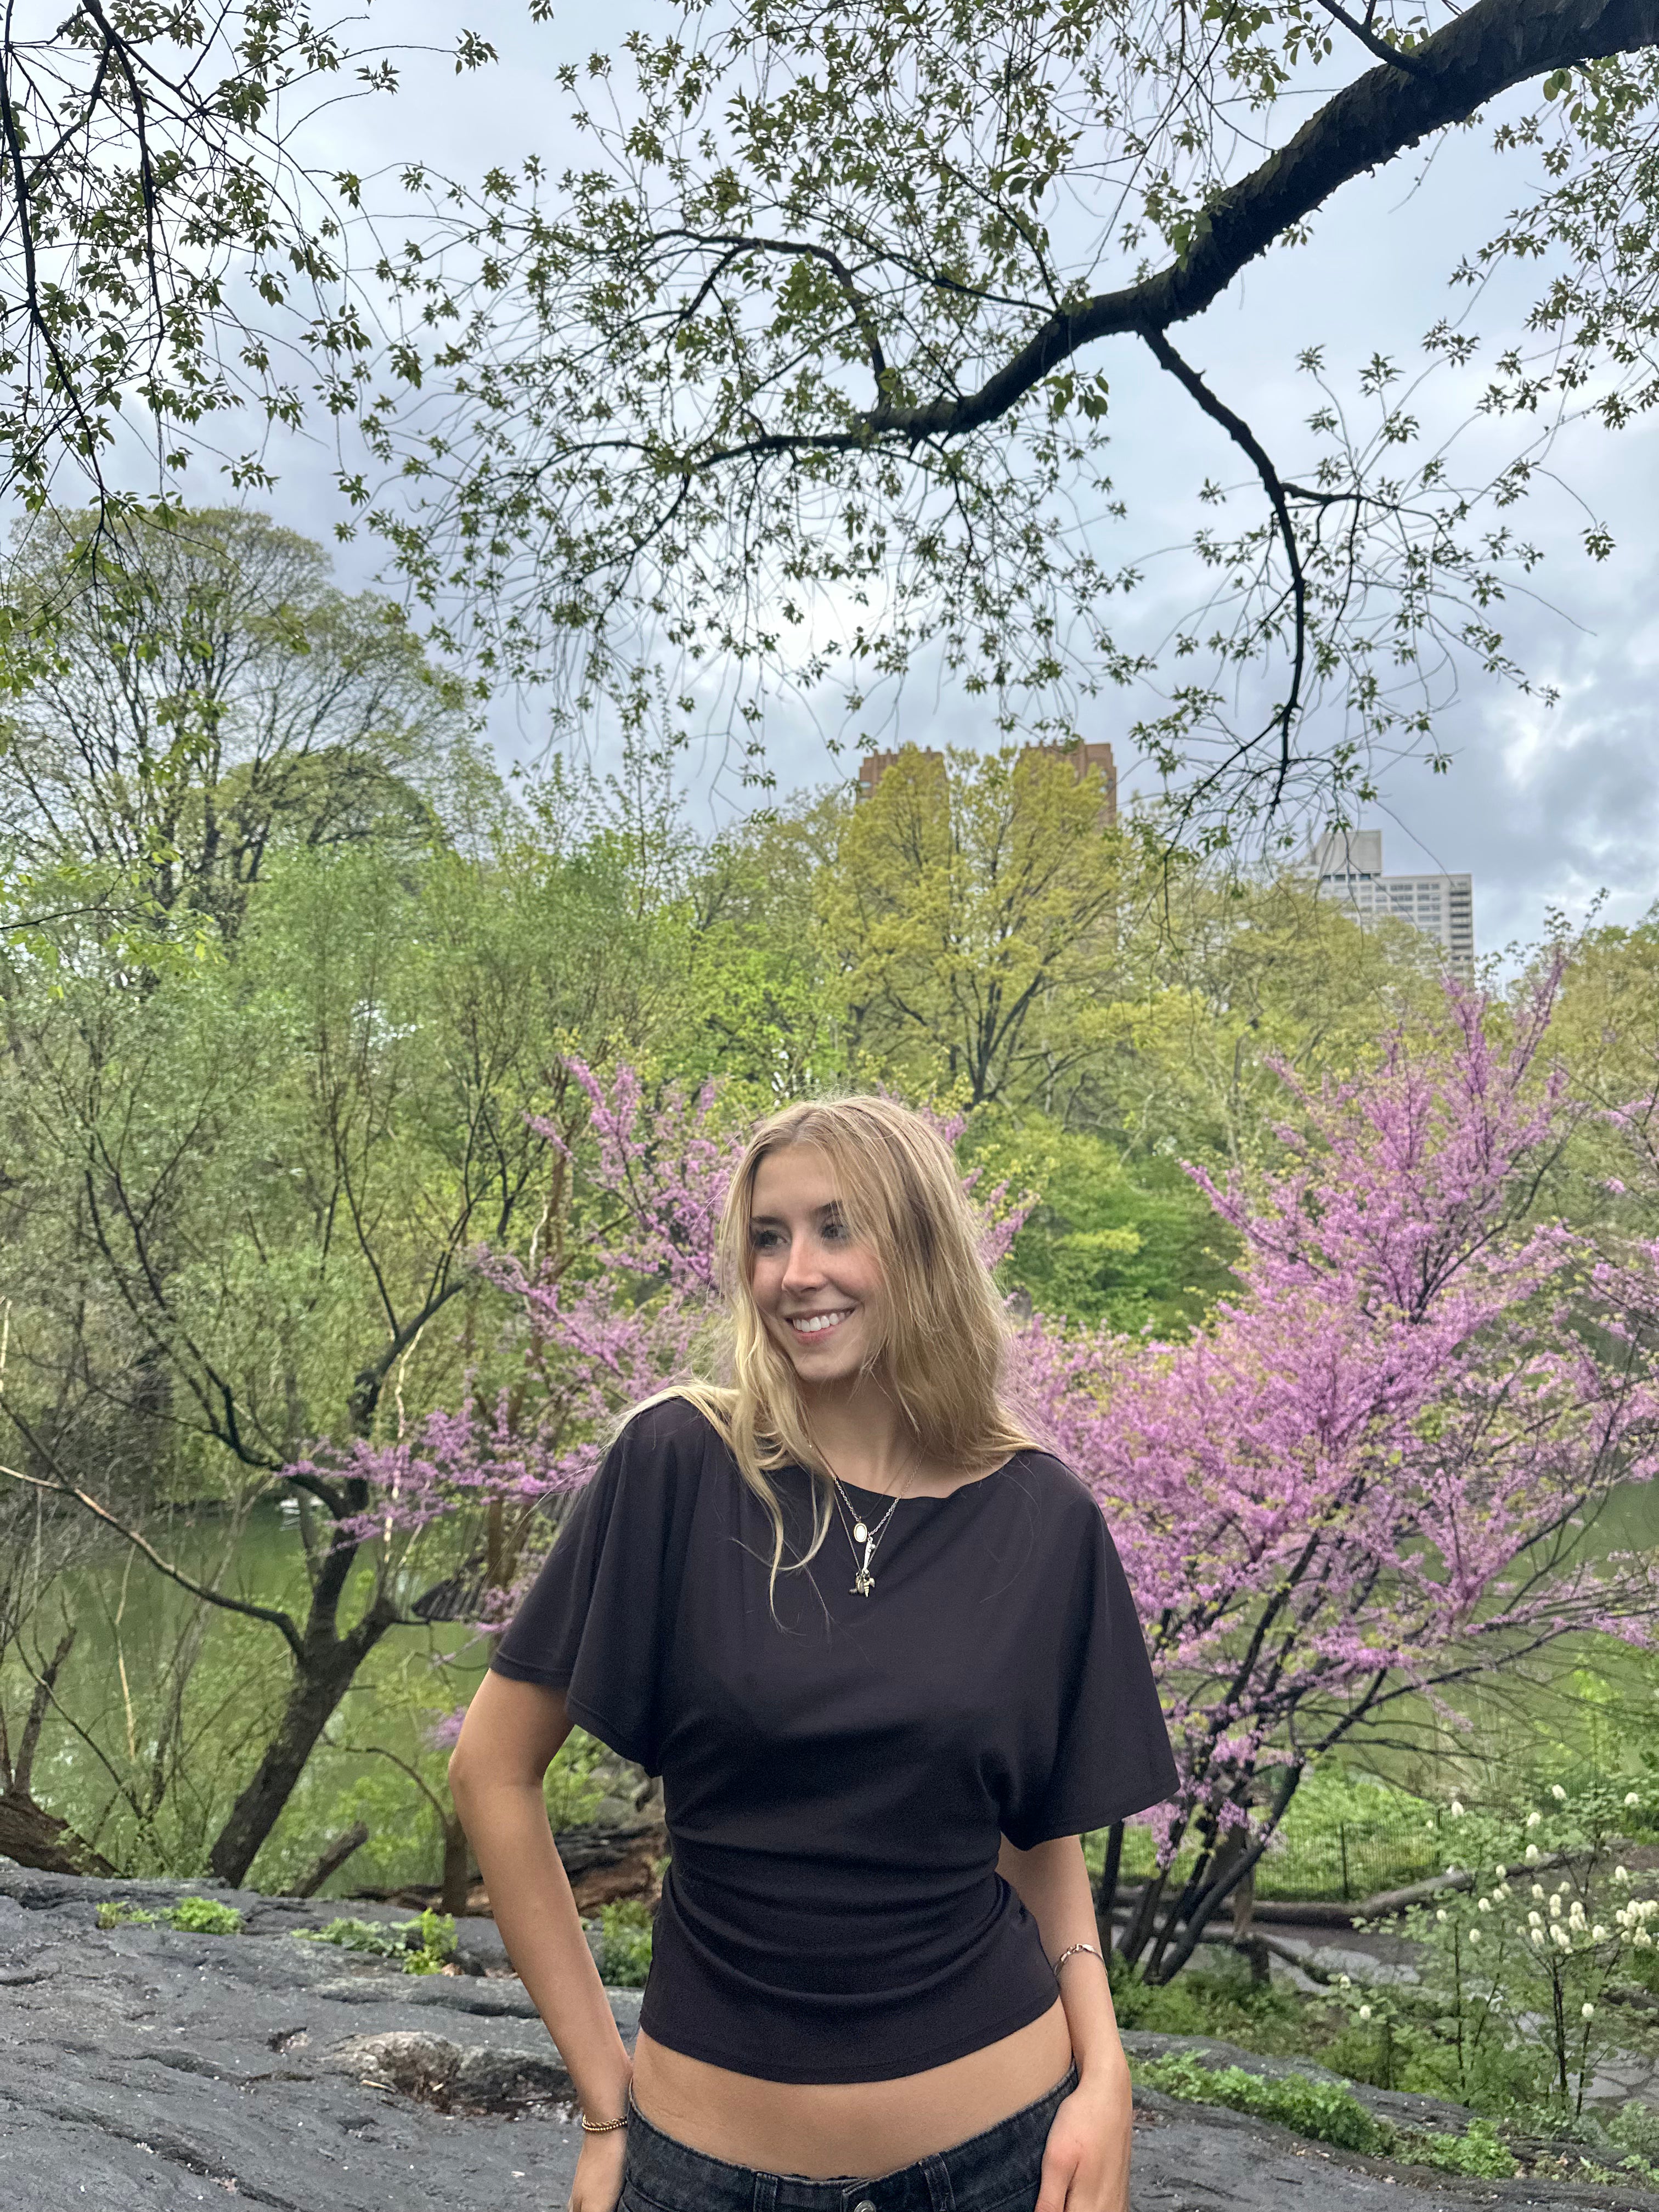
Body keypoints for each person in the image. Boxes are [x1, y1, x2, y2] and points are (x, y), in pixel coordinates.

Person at [448, 1094, 1177, 2212]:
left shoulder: (1042, 1517)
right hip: (700, 2173)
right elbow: (492, 1772)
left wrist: (1106, 2070)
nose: (796, 1274)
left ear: (923, 1248)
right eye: (769, 1237)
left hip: (998, 2158)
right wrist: (605, 2105)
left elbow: (1037, 1836)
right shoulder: (680, 1465)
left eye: (839, 1229)